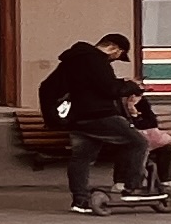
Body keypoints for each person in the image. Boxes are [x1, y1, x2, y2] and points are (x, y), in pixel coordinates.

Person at [42, 29, 154, 213]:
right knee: (138, 142)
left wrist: (53, 117)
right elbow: (109, 90)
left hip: (77, 118)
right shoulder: (97, 60)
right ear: (113, 48)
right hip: (100, 115)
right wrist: (131, 86)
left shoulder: (71, 61)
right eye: (118, 55)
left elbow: (47, 87)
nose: (114, 59)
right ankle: (132, 188)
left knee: (82, 158)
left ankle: (80, 201)